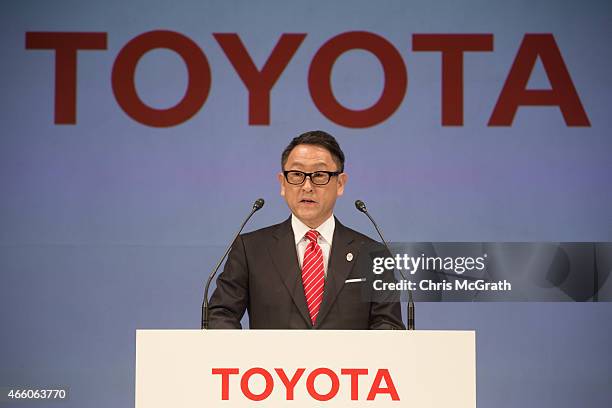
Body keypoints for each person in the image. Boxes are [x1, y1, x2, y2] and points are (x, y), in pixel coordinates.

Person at [208, 130, 404, 329]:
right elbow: (220, 315)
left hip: (347, 361)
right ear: (283, 183)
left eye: (319, 175)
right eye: (296, 175)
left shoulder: (372, 254)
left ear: (340, 184)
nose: (307, 186)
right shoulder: (250, 249)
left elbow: (388, 324)